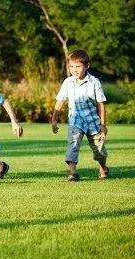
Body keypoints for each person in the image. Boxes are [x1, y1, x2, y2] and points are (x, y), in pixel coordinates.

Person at [51, 49, 109, 182]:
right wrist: (54, 120)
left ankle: (103, 167)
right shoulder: (67, 82)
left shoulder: (94, 82)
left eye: (78, 66)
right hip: (75, 120)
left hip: (93, 122)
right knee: (73, 143)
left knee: (99, 150)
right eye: (71, 66)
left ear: (87, 66)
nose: (74, 70)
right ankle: (73, 173)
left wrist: (103, 124)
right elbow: (60, 101)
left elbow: (101, 104)